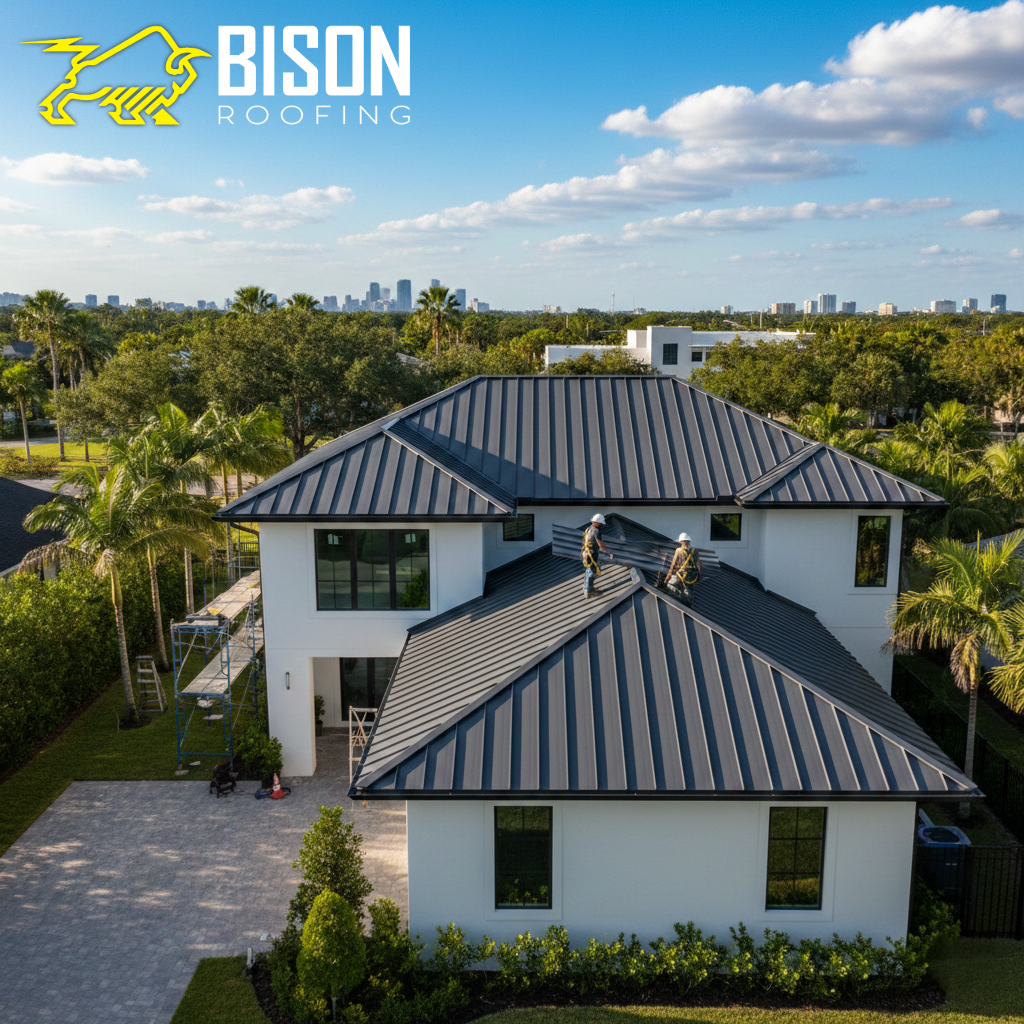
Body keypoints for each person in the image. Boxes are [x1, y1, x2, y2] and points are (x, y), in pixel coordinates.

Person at [581, 513, 612, 598]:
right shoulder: (596, 531)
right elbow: (601, 546)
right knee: (592, 573)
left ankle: (587, 589)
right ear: (598, 523)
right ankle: (588, 591)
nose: (601, 525)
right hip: (591, 555)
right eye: (601, 523)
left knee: (588, 571)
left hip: (585, 553)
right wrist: (609, 553)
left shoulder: (588, 528)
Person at [666, 532, 701, 604]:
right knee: (690, 590)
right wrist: (698, 574)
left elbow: (673, 563)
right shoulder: (695, 550)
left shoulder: (679, 550)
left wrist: (669, 574)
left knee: (669, 585)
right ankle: (689, 602)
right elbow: (698, 564)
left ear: (681, 542)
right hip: (692, 575)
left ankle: (682, 596)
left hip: (682, 575)